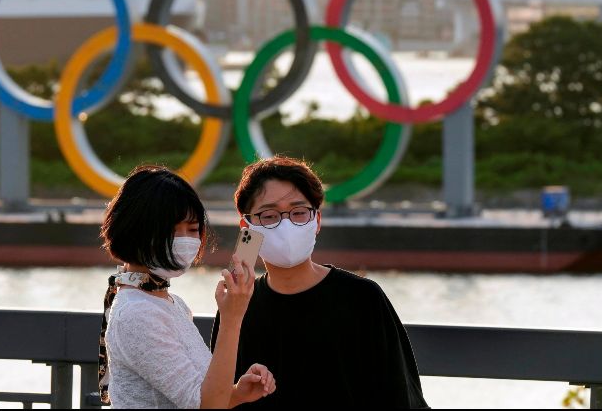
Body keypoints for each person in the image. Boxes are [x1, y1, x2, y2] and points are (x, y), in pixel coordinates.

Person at [211, 156, 428, 408]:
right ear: (246, 227)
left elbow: (401, 396)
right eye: (269, 215)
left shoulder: (362, 298)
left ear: (317, 221)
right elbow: (216, 399)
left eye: (299, 213)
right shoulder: (236, 306)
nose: (286, 224)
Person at [99, 165, 276, 409]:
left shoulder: (171, 303)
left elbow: (199, 395)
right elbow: (206, 405)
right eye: (170, 229)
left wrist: (237, 393)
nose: (184, 239)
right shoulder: (137, 314)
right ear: (135, 229)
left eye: (192, 229)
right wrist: (232, 318)